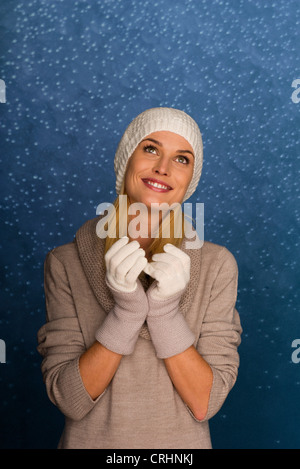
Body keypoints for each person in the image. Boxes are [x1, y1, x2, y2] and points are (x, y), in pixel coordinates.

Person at [37, 107, 242, 449]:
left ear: (191, 179)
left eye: (182, 159)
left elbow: (206, 402)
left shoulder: (218, 265)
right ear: (126, 159)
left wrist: (164, 311)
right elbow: (70, 400)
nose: (163, 167)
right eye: (150, 149)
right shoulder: (65, 262)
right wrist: (127, 312)